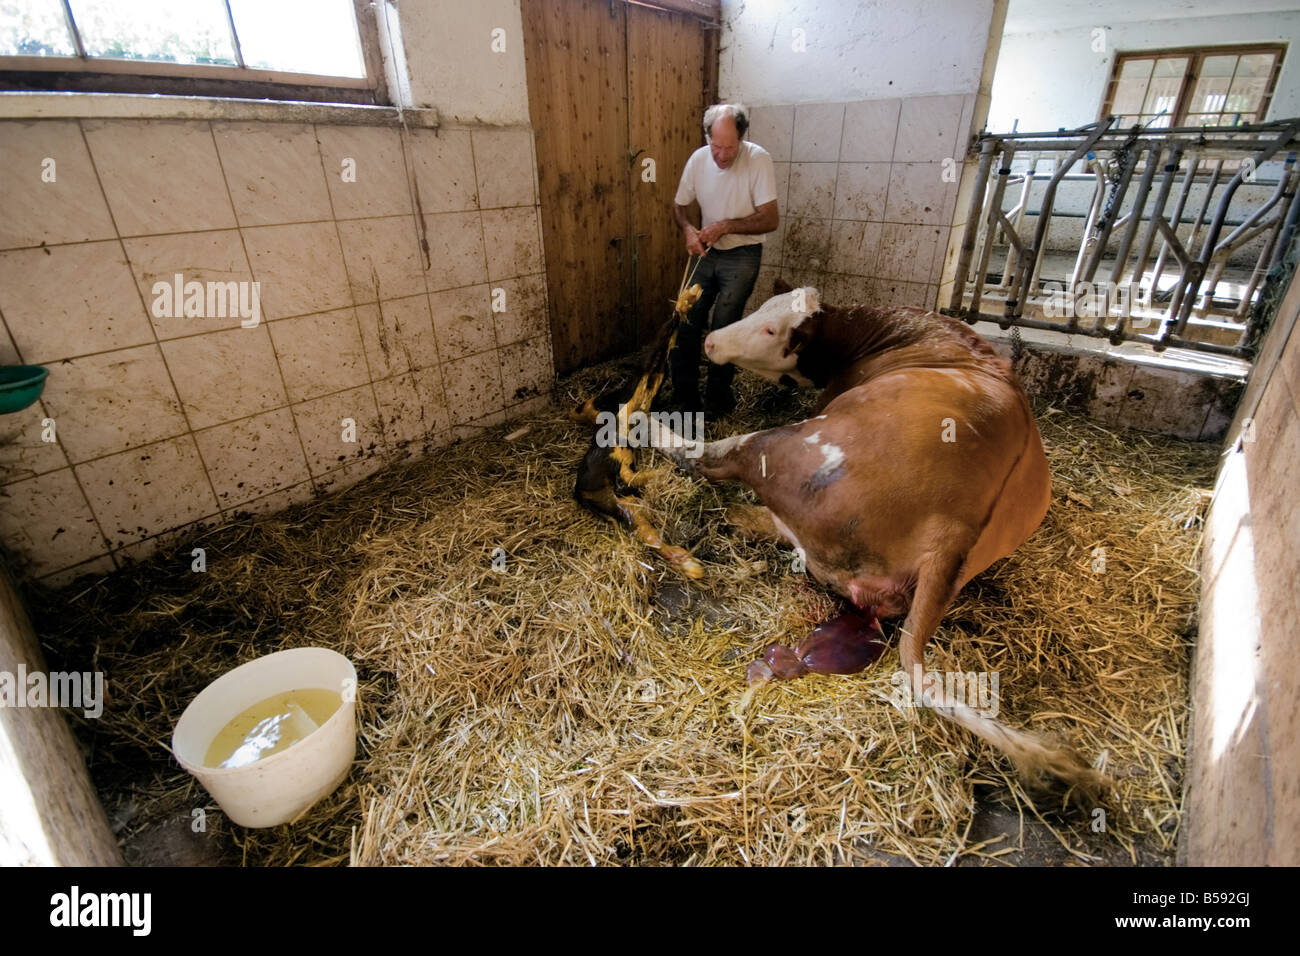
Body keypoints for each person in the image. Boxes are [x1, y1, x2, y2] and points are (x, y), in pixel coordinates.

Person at [668, 103, 778, 416]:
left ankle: (717, 402)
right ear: (707, 137)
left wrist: (726, 225)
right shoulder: (698, 159)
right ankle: (685, 400)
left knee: (724, 328)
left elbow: (771, 219)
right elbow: (678, 206)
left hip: (742, 253)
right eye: (716, 145)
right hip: (705, 249)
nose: (722, 154)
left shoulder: (758, 159)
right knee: (687, 322)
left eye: (730, 146)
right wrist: (689, 230)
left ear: (742, 138)